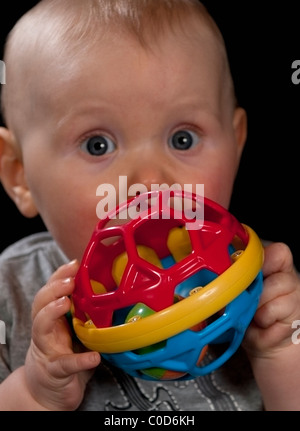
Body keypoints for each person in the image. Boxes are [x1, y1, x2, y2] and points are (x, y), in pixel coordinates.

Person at [0, 0, 299, 412]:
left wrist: (283, 350)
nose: (150, 182)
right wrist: (35, 394)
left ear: (236, 143)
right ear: (19, 174)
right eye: (97, 145)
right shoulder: (9, 293)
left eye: (183, 139)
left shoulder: (265, 288)